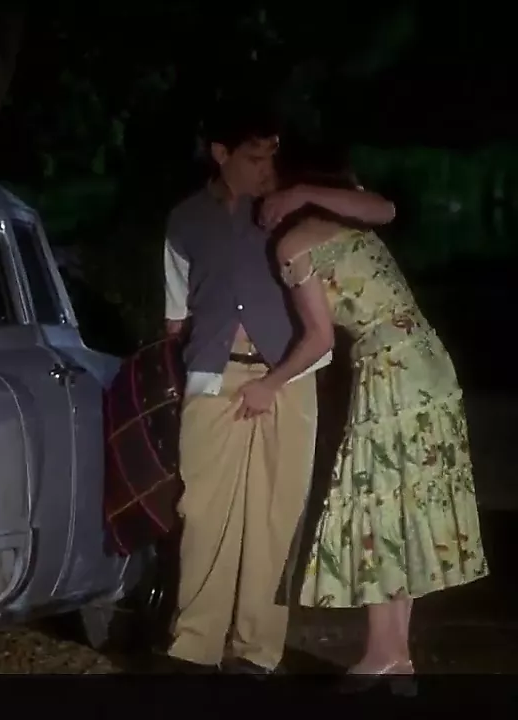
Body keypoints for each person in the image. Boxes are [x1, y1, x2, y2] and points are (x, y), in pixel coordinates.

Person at [161, 101, 396, 674]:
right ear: (221, 154)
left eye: (272, 156)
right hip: (214, 374)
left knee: (274, 515)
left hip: (289, 377)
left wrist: (304, 195)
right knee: (204, 513)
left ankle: (256, 649)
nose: (266, 168)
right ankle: (194, 645)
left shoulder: (292, 207)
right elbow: (173, 317)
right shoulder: (185, 220)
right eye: (254, 157)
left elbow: (380, 210)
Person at [263, 148, 488, 690]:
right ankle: (394, 652)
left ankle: (384, 651)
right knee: (405, 500)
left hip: (390, 369)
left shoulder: (296, 243)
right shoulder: (352, 222)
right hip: (427, 359)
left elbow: (318, 338)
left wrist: (269, 384)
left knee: (378, 498)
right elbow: (383, 208)